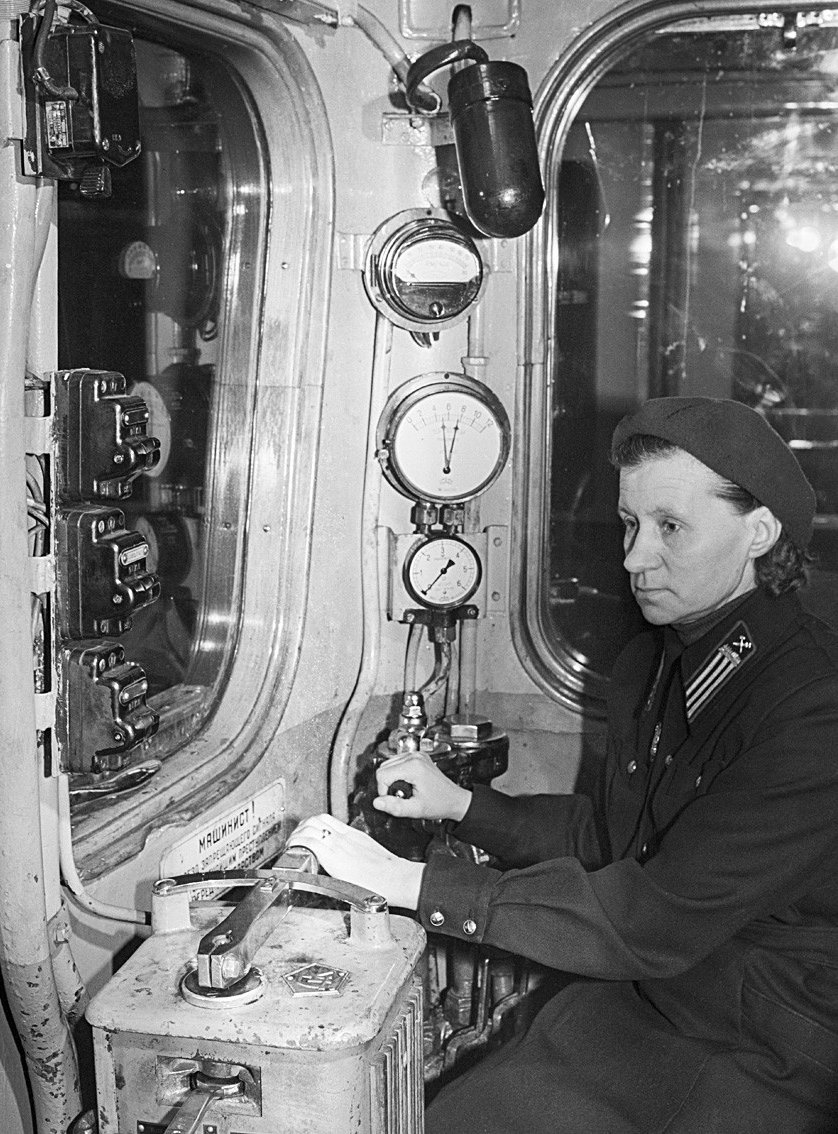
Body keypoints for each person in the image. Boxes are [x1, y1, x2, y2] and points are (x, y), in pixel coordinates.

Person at [290, 396, 838, 1134]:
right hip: (661, 990)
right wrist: (461, 806)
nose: (634, 557)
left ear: (759, 533)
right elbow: (622, 837)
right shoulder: (658, 660)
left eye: (670, 527)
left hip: (768, 1035)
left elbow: (658, 915)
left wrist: (407, 883)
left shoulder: (812, 704)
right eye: (630, 525)